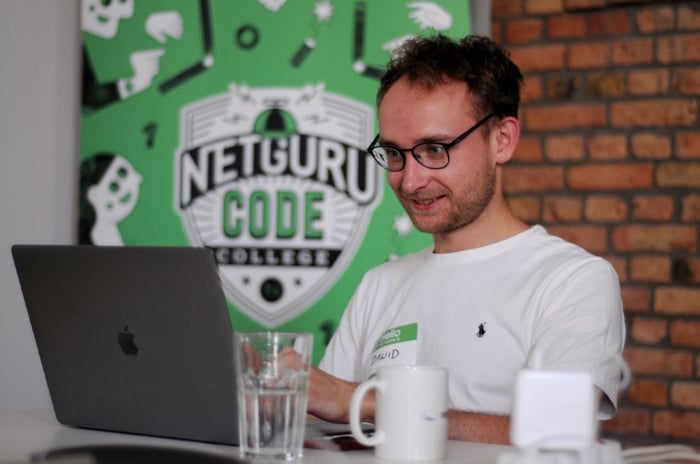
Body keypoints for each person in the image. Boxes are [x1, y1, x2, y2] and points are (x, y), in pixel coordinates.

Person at [306, 34, 626, 444]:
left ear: (502, 140)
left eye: (435, 149)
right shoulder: (379, 285)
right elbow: (326, 422)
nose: (410, 180)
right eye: (395, 154)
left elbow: (557, 433)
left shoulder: (573, 280)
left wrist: (367, 403)